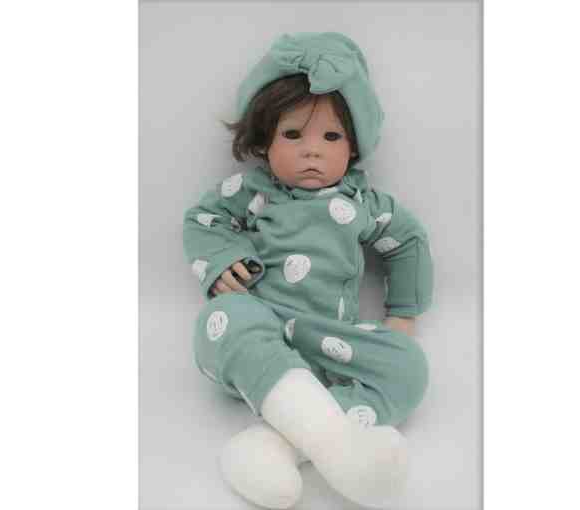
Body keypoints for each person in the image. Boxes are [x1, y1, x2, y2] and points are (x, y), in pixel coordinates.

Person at [183, 32, 433, 509]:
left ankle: (272, 446)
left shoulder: (364, 202)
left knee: (410, 366)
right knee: (223, 316)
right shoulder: (254, 190)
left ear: (354, 146)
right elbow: (203, 219)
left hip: (332, 345)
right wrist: (222, 260)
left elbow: (408, 242)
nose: (311, 150)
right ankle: (341, 450)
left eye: (331, 136)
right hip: (261, 337)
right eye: (293, 135)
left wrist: (402, 315)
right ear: (265, 141)